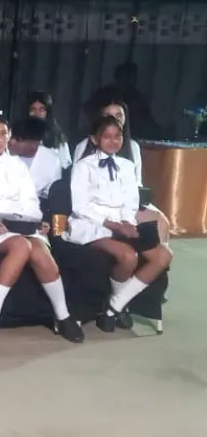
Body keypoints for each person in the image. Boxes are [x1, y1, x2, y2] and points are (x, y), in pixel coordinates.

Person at [0, 113, 84, 347]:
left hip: (18, 224)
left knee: (40, 248)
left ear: (9, 136)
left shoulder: (17, 166)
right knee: (22, 246)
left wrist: (34, 221)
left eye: (2, 134)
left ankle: (63, 316)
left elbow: (30, 201)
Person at [65, 116, 173, 332]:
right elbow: (80, 206)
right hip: (92, 223)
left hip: (122, 221)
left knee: (164, 255)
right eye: (107, 136)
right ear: (94, 139)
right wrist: (114, 226)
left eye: (118, 136)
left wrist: (126, 222)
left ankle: (115, 306)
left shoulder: (127, 166)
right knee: (128, 256)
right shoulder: (84, 166)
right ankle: (117, 308)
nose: (113, 141)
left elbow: (131, 201)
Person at [72, 98, 171, 244]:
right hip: (98, 209)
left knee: (161, 220)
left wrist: (128, 215)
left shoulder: (132, 147)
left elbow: (136, 184)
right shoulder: (84, 150)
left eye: (119, 115)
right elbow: (79, 192)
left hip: (127, 205)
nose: (114, 119)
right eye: (108, 115)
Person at [7, 117, 62, 200]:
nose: (11, 142)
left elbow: (52, 195)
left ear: (34, 143)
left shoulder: (52, 161)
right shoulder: (1, 154)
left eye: (18, 140)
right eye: (11, 137)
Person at [25, 91, 72, 169]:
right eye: (33, 109)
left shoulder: (57, 135)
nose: (37, 113)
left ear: (48, 112)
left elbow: (65, 165)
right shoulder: (18, 133)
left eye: (42, 109)